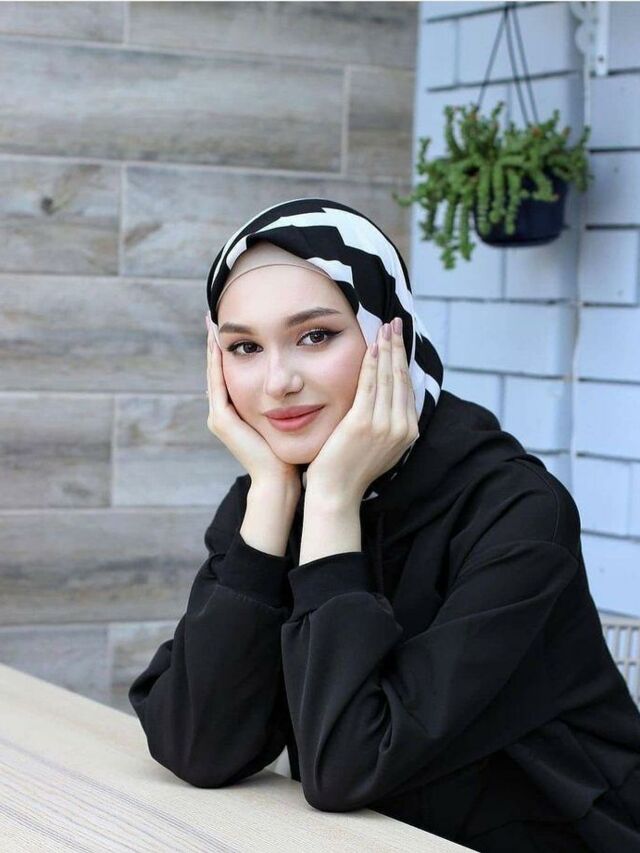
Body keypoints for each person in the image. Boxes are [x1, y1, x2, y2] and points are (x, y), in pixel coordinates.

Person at [129, 197, 640, 852]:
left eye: (316, 336)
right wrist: (274, 498)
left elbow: (348, 766)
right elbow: (197, 745)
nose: (278, 381)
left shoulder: (518, 512)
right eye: (244, 347)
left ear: (386, 330)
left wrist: (333, 503)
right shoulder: (275, 493)